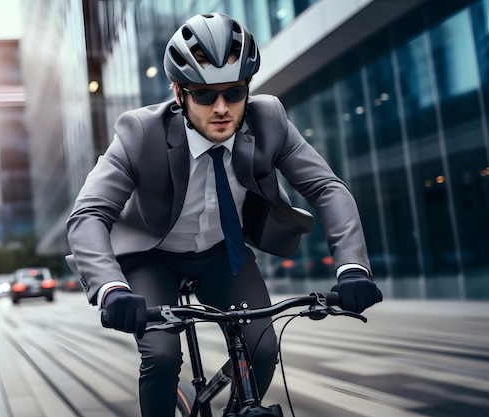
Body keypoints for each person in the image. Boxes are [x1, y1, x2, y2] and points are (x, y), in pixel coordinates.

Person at [66, 12, 382, 417]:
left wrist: (352, 267)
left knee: (264, 349)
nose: (221, 108)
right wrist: (111, 289)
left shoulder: (269, 120)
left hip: (221, 254)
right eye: (204, 95)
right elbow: (88, 213)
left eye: (234, 93)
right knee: (162, 357)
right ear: (178, 93)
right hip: (152, 257)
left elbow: (326, 187)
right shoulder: (140, 132)